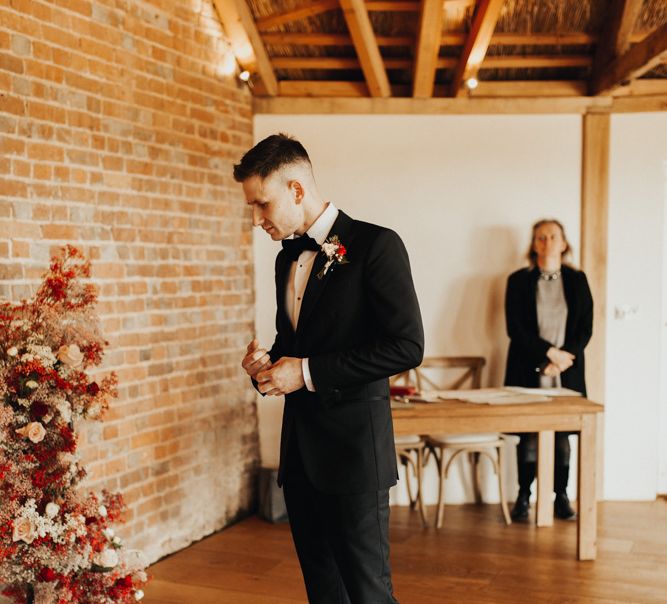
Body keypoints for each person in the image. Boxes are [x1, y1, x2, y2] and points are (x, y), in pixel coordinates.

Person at [236, 134, 424, 603]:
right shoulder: (285, 260)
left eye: (262, 204)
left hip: (354, 456)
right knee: (323, 592)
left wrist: (304, 373)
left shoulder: (376, 246)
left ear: (296, 190)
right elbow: (295, 347)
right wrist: (266, 368)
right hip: (300, 457)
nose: (257, 219)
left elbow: (406, 346)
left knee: (368, 593)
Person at [504, 219, 593, 521]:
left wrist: (563, 357)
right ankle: (524, 496)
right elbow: (515, 328)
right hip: (529, 368)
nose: (547, 241)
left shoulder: (578, 279)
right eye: (540, 237)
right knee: (528, 435)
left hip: (566, 370)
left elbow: (585, 328)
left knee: (562, 436)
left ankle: (561, 496)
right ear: (533, 244)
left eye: (553, 236)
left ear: (564, 243)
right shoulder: (518, 281)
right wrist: (547, 354)